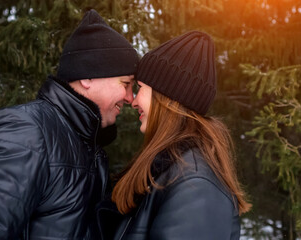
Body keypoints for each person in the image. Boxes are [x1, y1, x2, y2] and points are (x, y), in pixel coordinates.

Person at [0, 9, 139, 239]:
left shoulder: (87, 147)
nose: (130, 97)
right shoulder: (25, 132)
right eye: (125, 83)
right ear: (88, 77)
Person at [104, 31, 251, 239]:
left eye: (141, 88)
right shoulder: (172, 169)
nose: (134, 101)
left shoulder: (196, 185)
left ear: (166, 98)